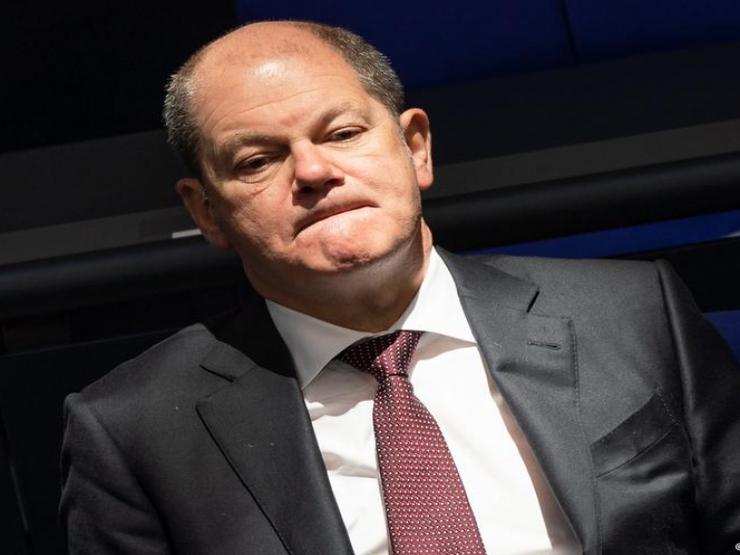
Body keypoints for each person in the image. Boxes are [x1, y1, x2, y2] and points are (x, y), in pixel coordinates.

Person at [60, 21, 740, 555]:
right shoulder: (136, 429)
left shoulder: (630, 313)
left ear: (416, 147)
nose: (314, 171)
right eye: (258, 160)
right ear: (206, 210)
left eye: (343, 133)